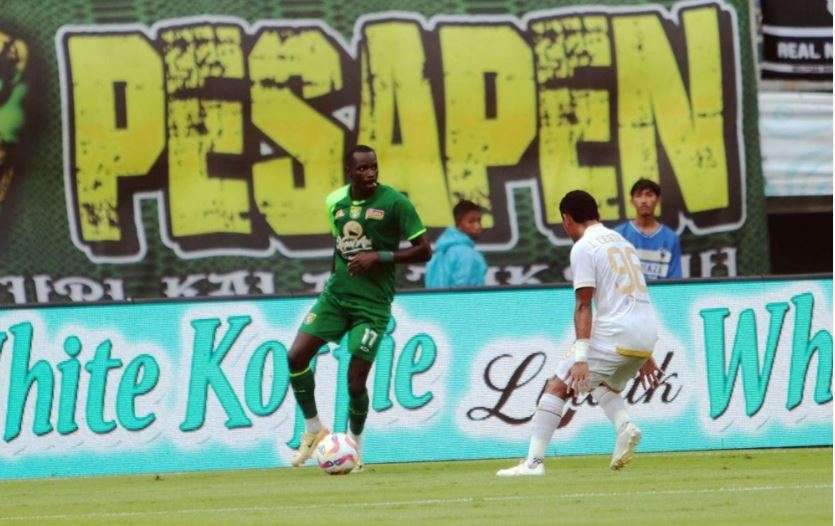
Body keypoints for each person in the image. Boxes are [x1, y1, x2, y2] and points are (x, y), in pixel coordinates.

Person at [496, 190, 662, 477]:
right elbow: (636, 296)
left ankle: (533, 463)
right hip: (645, 332)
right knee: (600, 383)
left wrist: (581, 356)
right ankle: (624, 426)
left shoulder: (584, 246)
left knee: (557, 385)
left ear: (567, 219)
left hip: (617, 332)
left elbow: (584, 304)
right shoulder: (622, 242)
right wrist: (646, 352)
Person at [286, 145, 431, 472]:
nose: (370, 174)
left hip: (372, 305)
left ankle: (355, 448)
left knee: (354, 383)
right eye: (362, 169)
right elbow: (339, 247)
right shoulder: (334, 201)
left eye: (374, 167)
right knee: (295, 356)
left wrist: (378, 257)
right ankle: (313, 429)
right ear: (349, 172)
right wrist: (336, 278)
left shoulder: (395, 202)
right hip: (336, 297)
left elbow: (424, 250)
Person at [614, 179, 682, 280]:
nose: (644, 200)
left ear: (658, 200)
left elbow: (675, 281)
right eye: (639, 195)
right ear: (632, 201)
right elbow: (612, 275)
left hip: (660, 295)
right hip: (628, 295)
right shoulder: (619, 234)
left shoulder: (671, 238)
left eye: (649, 195)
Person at [424, 200, 487, 288]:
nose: (477, 226)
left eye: (479, 221)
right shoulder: (468, 255)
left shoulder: (438, 253)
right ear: (458, 223)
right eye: (471, 221)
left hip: (434, 301)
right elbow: (463, 294)